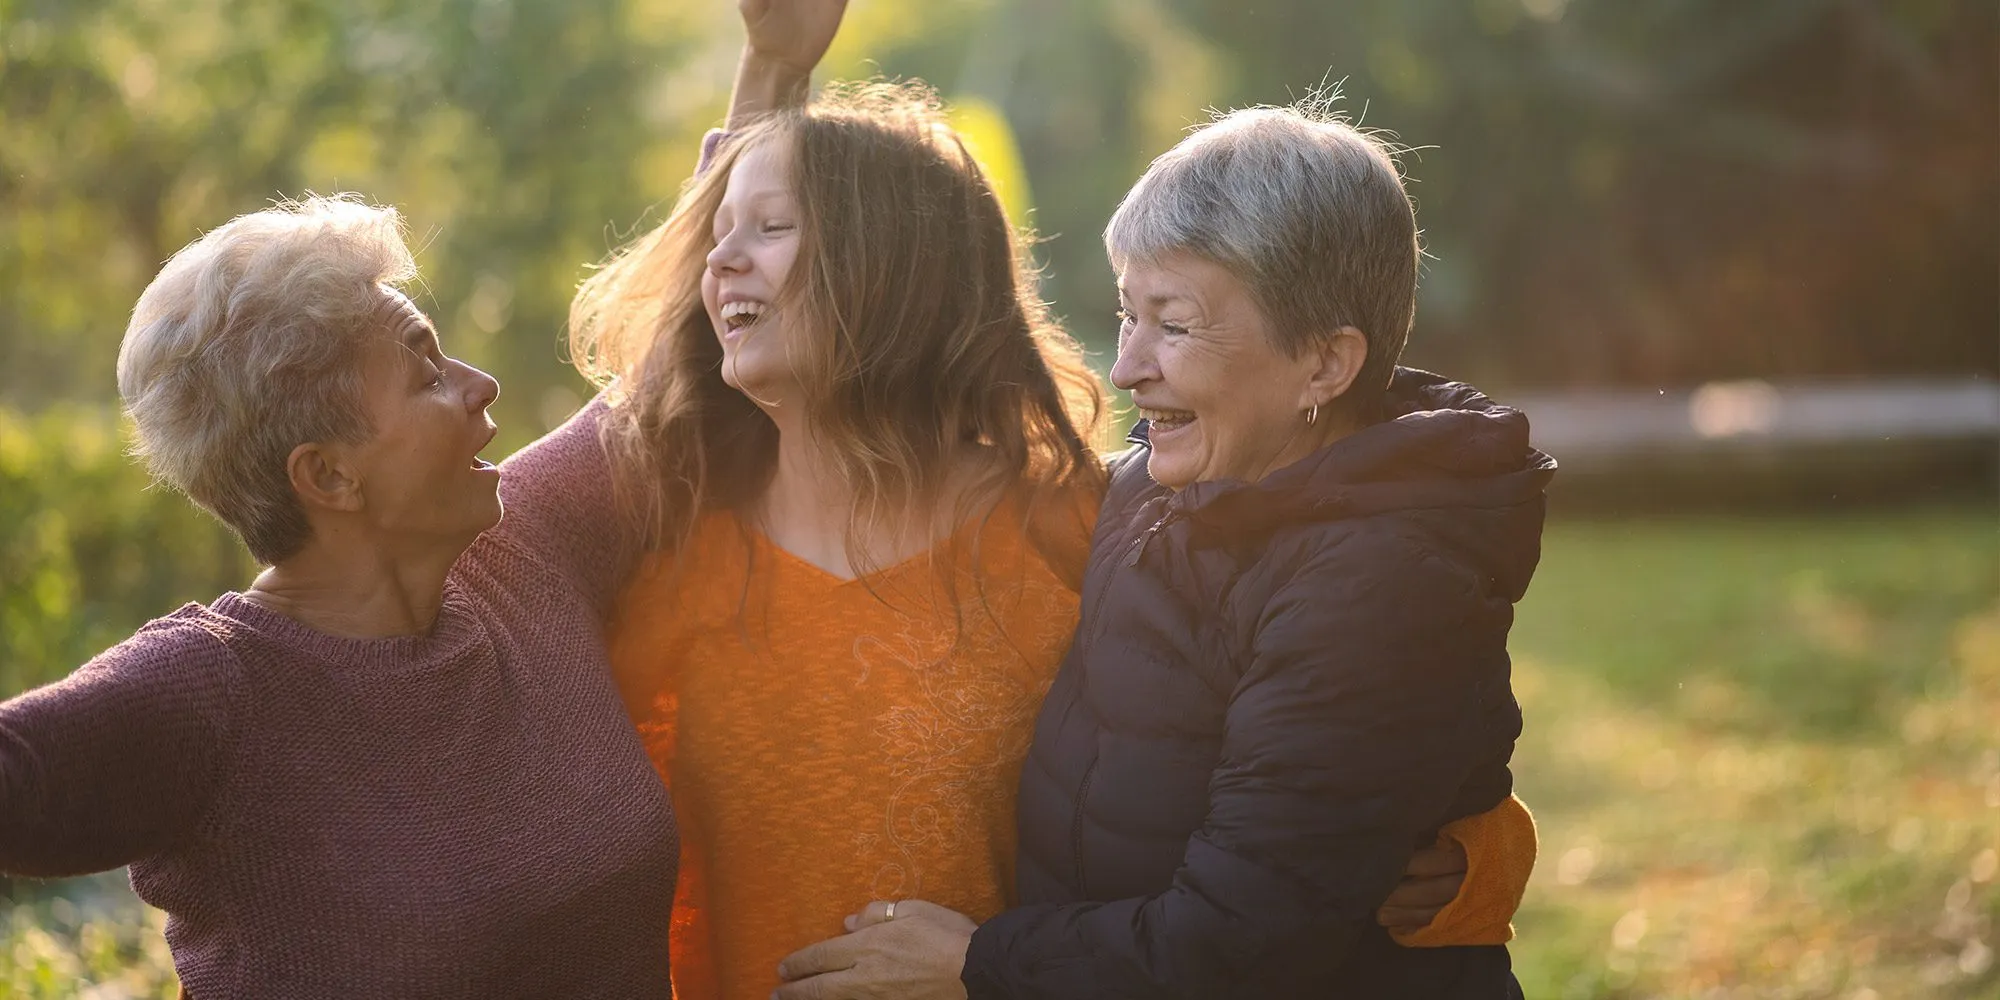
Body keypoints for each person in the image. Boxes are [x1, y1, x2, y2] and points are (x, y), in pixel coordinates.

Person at [576, 4, 1538, 999]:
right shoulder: (672, 539)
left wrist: (1472, 855)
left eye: (1170, 322)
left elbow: (1298, 826)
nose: (1122, 366)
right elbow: (679, 353)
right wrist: (769, 73)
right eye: (1128, 315)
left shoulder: (1067, 517)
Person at [0, 196, 677, 998]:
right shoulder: (212, 694)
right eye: (428, 376)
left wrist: (768, 77)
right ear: (327, 475)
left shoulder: (527, 550)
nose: (481, 385)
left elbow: (685, 349)